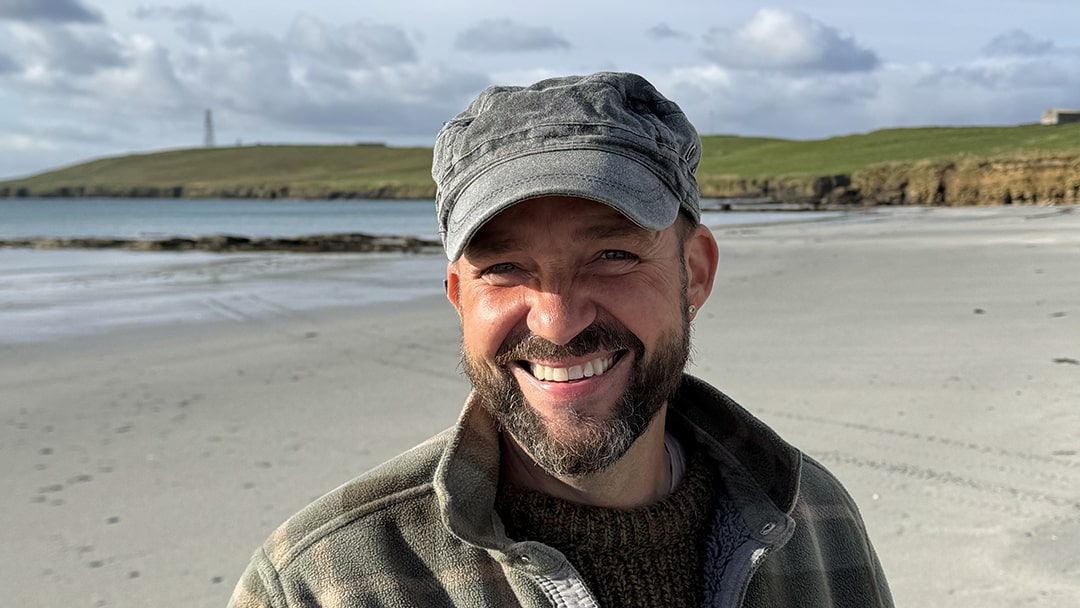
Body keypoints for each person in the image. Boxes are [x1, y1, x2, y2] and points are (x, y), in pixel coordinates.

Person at [228, 72, 893, 608]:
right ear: (460, 298)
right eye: (504, 269)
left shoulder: (815, 521)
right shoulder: (321, 585)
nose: (556, 322)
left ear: (694, 274)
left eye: (610, 254)